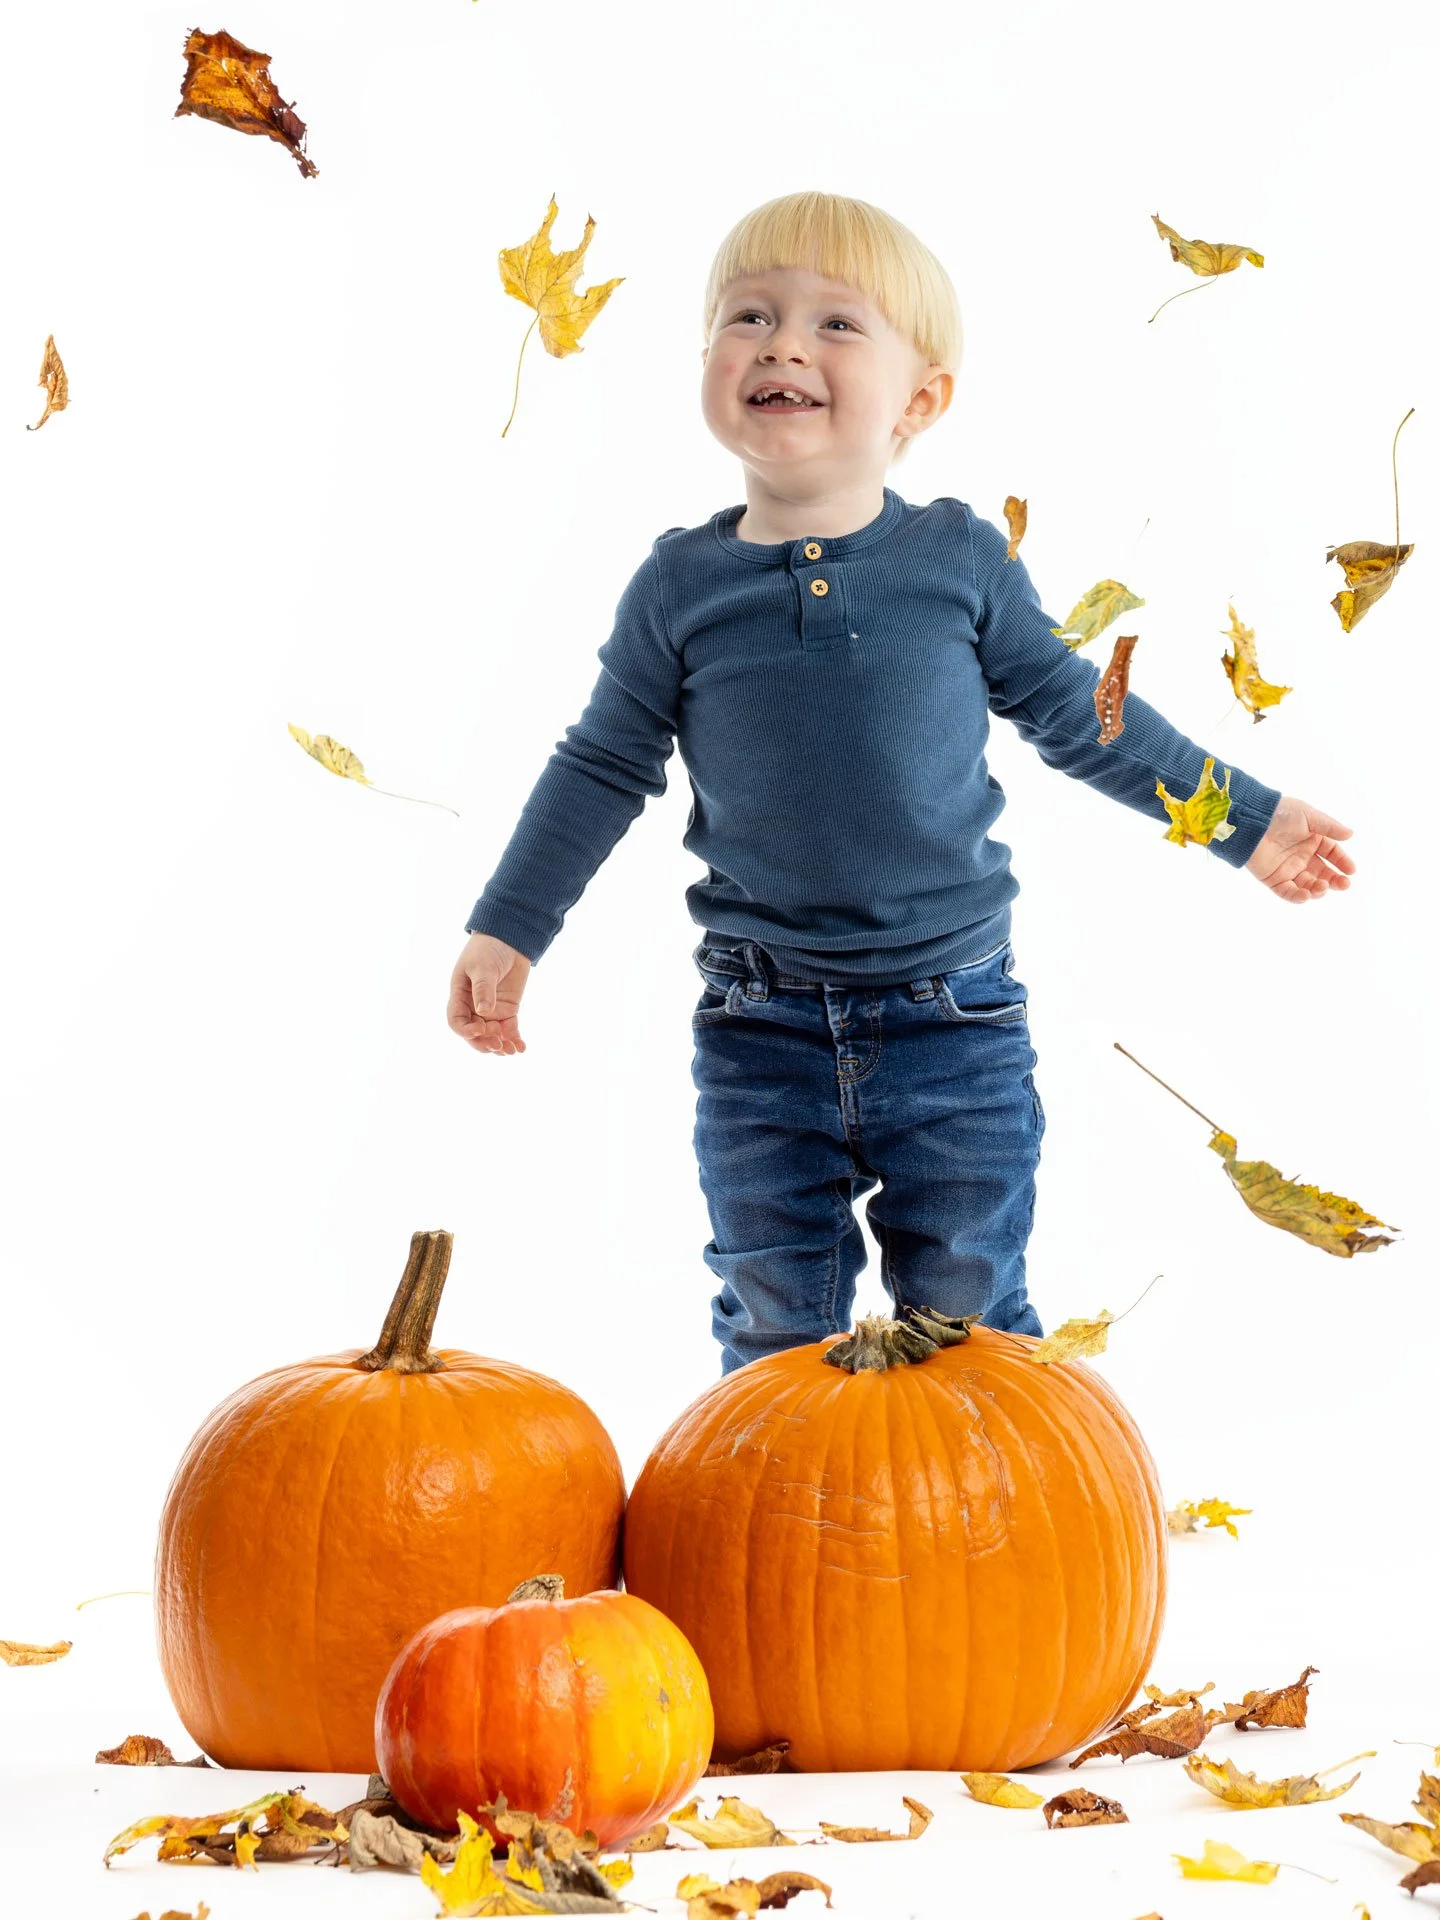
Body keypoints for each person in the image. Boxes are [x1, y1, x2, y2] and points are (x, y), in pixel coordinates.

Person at [446, 190, 1354, 1375]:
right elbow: (601, 765)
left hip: (954, 1020)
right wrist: (510, 927)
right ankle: (779, 1538)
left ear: (921, 400)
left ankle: (989, 1534)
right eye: (750, 317)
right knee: (776, 1324)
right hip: (758, 1025)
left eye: (836, 326)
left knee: (970, 1320)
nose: (780, 344)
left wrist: (1247, 819)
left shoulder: (957, 559)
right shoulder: (678, 587)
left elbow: (1086, 719)